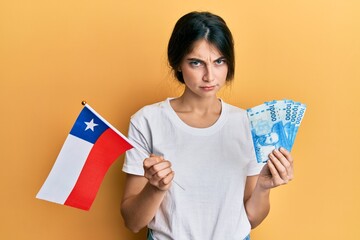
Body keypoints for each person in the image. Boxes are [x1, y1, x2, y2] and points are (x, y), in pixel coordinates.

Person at [120, 11, 294, 240]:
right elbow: (132, 222)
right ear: (178, 63)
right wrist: (156, 187)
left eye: (219, 61)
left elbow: (252, 218)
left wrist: (263, 186)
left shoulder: (248, 124)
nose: (210, 76)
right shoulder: (147, 121)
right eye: (196, 63)